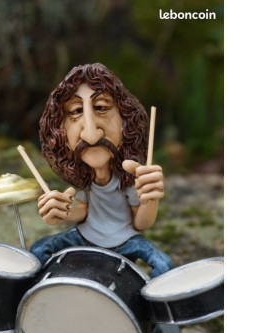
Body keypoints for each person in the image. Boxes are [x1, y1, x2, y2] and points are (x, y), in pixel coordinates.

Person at [31, 62, 172, 278]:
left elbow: (141, 223)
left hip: (126, 240)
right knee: (38, 250)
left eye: (101, 107)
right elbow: (83, 211)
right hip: (85, 237)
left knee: (163, 266)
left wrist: (150, 198)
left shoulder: (129, 177)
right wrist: (62, 213)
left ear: (126, 120)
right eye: (76, 111)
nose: (91, 135)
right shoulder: (85, 178)